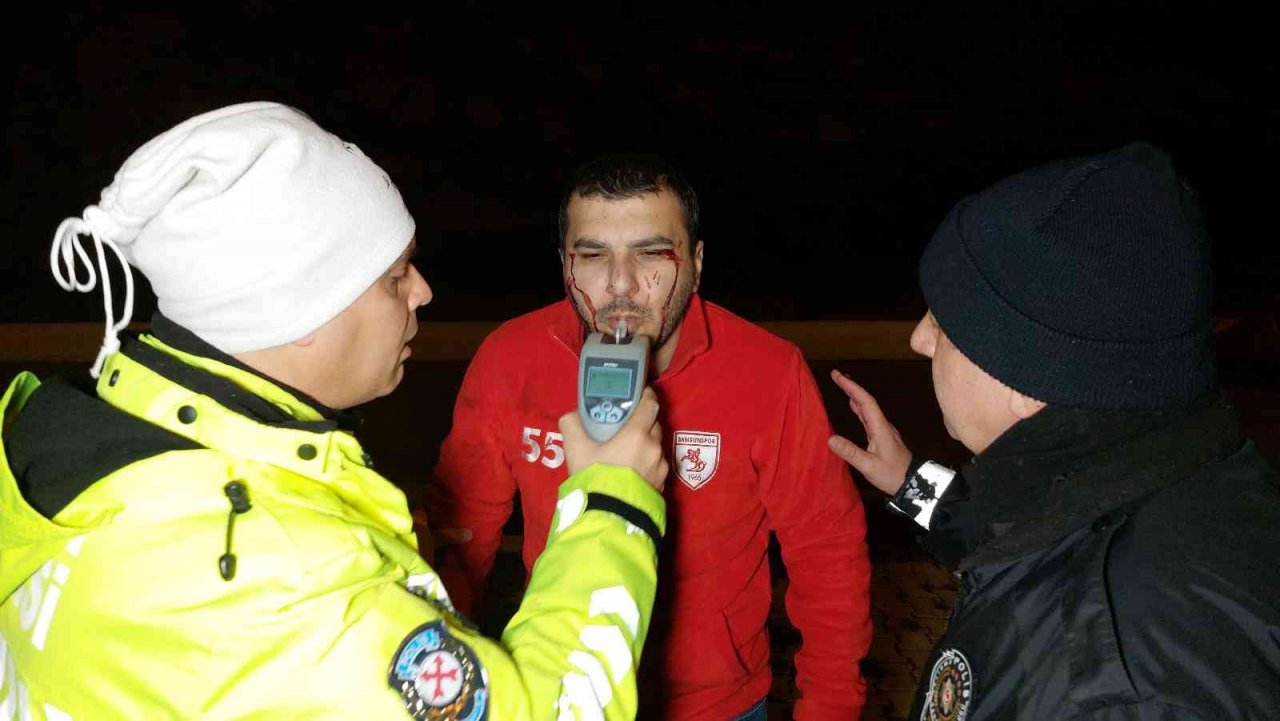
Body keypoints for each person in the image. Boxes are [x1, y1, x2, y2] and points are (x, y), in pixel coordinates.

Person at [0, 101, 670, 720]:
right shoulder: (292, 584)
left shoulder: (69, 444)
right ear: (298, 308)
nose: (423, 291)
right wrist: (616, 499)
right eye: (394, 276)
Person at [827, 142, 1280, 720]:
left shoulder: (1115, 689)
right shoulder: (1159, 463)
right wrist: (909, 485)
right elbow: (1031, 526)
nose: (919, 339)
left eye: (945, 323)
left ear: (1030, 378)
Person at [428, 154, 872, 720]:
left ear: (696, 262)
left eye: (651, 253)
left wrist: (829, 708)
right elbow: (460, 537)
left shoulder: (770, 371)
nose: (621, 284)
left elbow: (827, 550)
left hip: (718, 707)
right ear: (564, 264)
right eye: (593, 256)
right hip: (567, 692)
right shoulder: (509, 359)